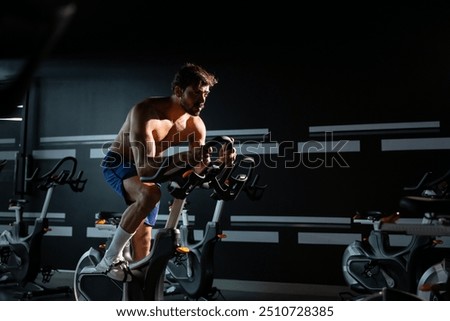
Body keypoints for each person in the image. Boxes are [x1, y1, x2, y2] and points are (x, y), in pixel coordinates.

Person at [83, 63, 236, 281]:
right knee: (151, 193)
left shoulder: (196, 125)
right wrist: (186, 158)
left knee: (144, 243)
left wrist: (224, 164)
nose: (202, 101)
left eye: (205, 94)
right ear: (177, 91)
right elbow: (146, 170)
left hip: (150, 168)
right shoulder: (146, 112)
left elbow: (198, 170)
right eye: (195, 94)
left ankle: (138, 290)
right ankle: (109, 259)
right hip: (120, 163)